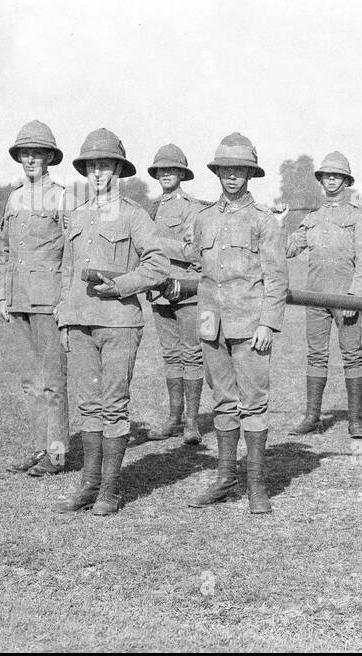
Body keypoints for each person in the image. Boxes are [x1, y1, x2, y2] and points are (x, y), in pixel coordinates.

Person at [52, 129, 170, 515]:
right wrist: (64, 317)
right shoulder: (77, 215)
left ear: (118, 169)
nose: (98, 173)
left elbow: (158, 265)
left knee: (114, 405)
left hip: (120, 323)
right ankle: (88, 484)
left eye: (105, 165)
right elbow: (68, 270)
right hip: (81, 322)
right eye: (92, 166)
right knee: (88, 406)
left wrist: (120, 286)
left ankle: (110, 490)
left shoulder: (135, 215)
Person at [187, 132, 288, 514]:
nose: (232, 176)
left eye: (239, 170)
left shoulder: (264, 222)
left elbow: (277, 280)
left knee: (254, 404)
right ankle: (225, 477)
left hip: (251, 326)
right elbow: (196, 267)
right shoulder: (203, 219)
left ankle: (256, 484)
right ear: (217, 173)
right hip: (212, 324)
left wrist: (268, 325)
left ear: (250, 174)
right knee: (223, 403)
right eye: (226, 170)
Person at [0, 120, 73, 477]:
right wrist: (1, 295)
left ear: (48, 158)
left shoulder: (62, 197)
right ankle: (40, 448)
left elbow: (74, 252)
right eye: (25, 153)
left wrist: (67, 299)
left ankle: (57, 456)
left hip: (49, 300)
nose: (30, 160)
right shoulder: (13, 198)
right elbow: (4, 249)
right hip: (18, 300)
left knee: (53, 381)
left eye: (37, 154)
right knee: (30, 381)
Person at [287, 152, 362, 438]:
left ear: (346, 181)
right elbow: (289, 249)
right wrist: (277, 222)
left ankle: (354, 420)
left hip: (345, 298)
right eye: (326, 175)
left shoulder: (358, 217)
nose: (331, 180)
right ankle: (313, 416)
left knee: (352, 356)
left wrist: (354, 296)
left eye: (337, 175)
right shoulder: (312, 217)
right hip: (315, 298)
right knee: (316, 355)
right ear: (321, 180)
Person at [144, 144, 207, 445]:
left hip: (187, 290)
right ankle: (173, 417)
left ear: (182, 174)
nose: (166, 173)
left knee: (191, 353)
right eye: (161, 169)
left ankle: (192, 423)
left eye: (172, 169)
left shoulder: (192, 208)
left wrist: (156, 243)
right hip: (159, 290)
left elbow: (194, 252)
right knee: (170, 354)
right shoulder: (153, 208)